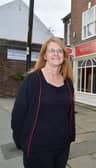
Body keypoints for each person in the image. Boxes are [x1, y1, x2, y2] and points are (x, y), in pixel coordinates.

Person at [11, 37, 75, 168]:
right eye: (52, 50)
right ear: (45, 55)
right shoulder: (32, 80)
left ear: (64, 56)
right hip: (37, 149)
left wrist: (70, 136)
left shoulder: (68, 82)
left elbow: (70, 113)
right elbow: (18, 114)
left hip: (62, 147)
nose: (56, 54)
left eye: (59, 51)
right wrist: (21, 142)